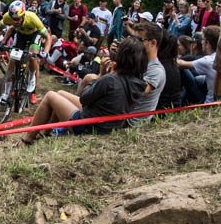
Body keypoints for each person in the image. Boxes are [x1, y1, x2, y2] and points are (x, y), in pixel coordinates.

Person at [17, 35, 147, 144]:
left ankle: (27, 139)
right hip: (109, 124)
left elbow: (84, 98)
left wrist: (101, 75)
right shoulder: (139, 84)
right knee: (60, 93)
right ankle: (45, 134)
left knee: (51, 95)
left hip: (90, 126)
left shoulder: (111, 80)